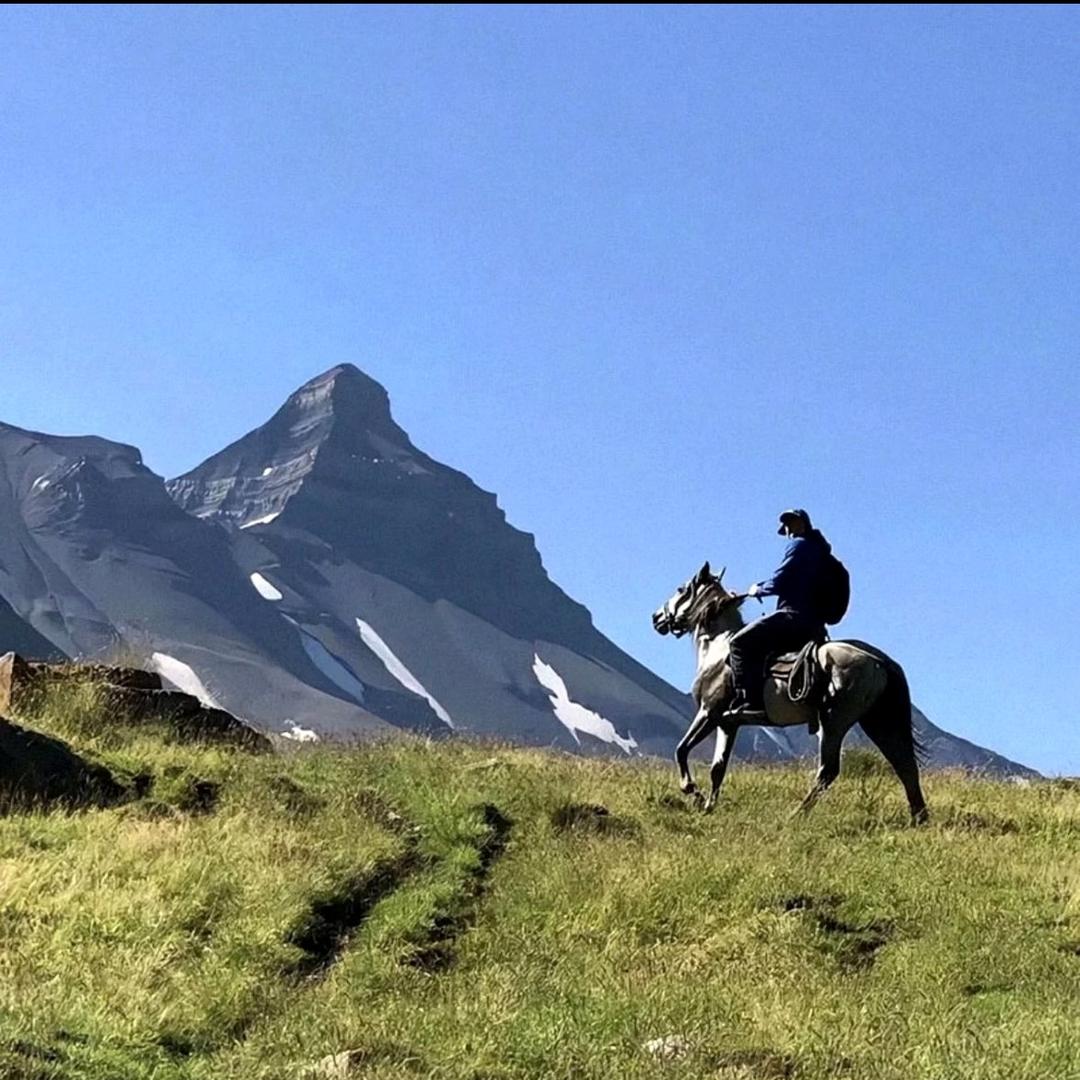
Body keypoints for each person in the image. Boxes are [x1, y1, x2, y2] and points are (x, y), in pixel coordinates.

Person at [725, 509, 833, 717]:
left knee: (738, 643)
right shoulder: (820, 552)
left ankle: (751, 702)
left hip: (794, 616)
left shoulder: (799, 546)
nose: (788, 530)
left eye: (790, 524)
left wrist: (756, 589)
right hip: (815, 624)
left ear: (802, 524)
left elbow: (779, 581)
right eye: (786, 527)